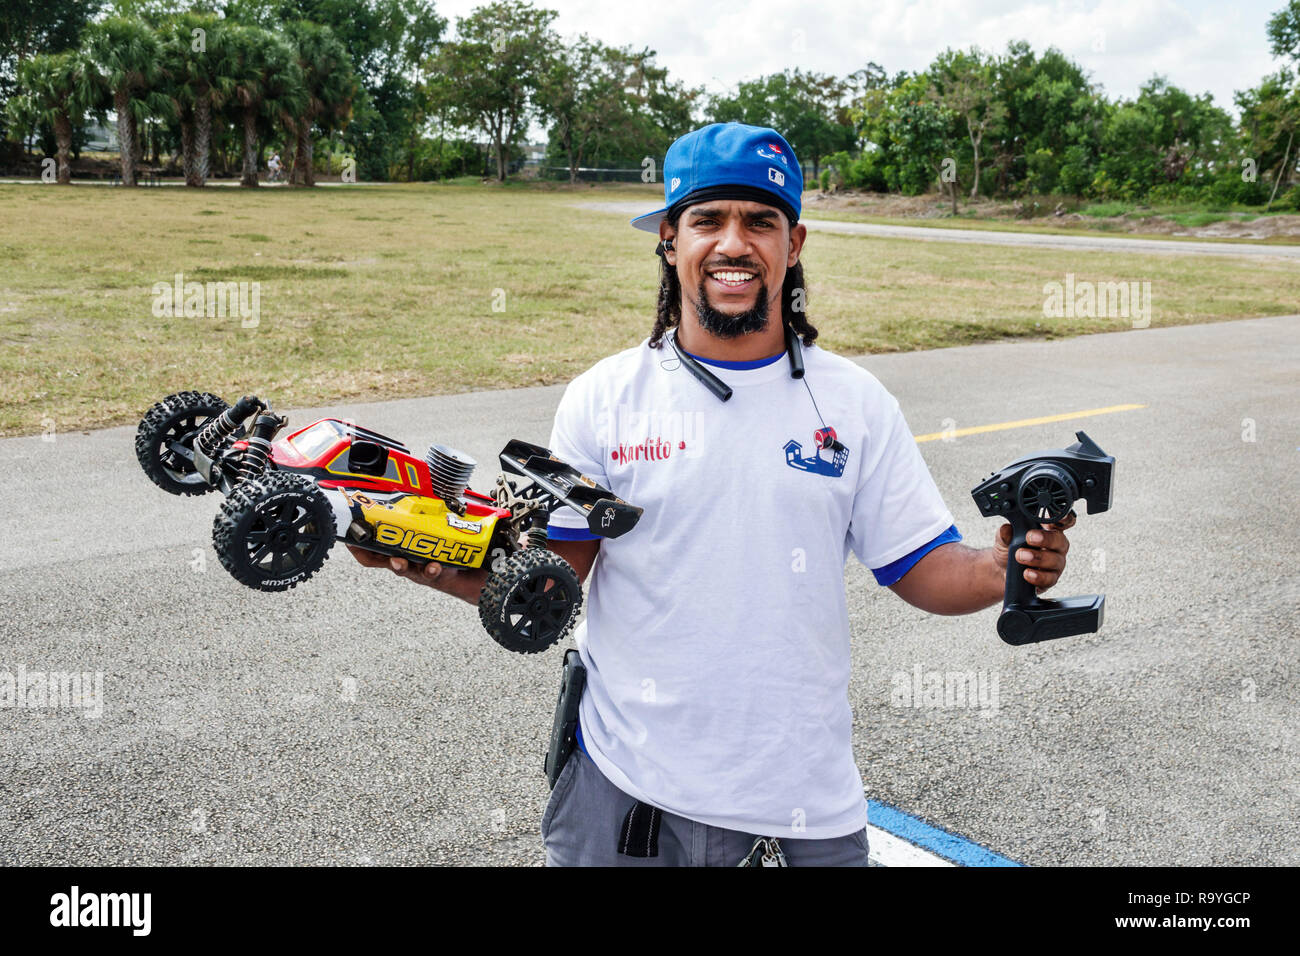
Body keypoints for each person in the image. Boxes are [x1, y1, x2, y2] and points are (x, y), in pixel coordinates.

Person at [349, 122, 1075, 866]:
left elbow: (920, 566)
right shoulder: (604, 399)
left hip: (804, 805)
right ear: (670, 238)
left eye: (761, 220)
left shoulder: (854, 403)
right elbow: (555, 578)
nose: (735, 243)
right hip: (628, 794)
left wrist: (1001, 566)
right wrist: (426, 559)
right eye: (708, 219)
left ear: (793, 245)